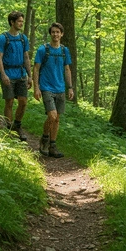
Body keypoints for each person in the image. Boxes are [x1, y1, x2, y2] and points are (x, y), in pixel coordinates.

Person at [33, 22, 74, 158]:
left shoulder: (64, 51)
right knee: (52, 115)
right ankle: (44, 139)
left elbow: (67, 69)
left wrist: (70, 87)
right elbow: (36, 69)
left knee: (57, 119)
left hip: (60, 88)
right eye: (53, 32)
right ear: (50, 34)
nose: (55, 34)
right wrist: (36, 87)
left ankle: (53, 146)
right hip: (46, 87)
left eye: (58, 32)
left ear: (61, 34)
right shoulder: (43, 49)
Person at [0, 11, 32, 141]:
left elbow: (26, 57)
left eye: (22, 21)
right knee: (9, 102)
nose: (21, 23)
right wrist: (3, 74)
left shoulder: (23, 38)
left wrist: (30, 76)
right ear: (12, 22)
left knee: (23, 102)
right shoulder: (3, 38)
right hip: (8, 74)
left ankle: (17, 125)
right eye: (19, 21)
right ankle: (9, 129)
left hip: (21, 74)